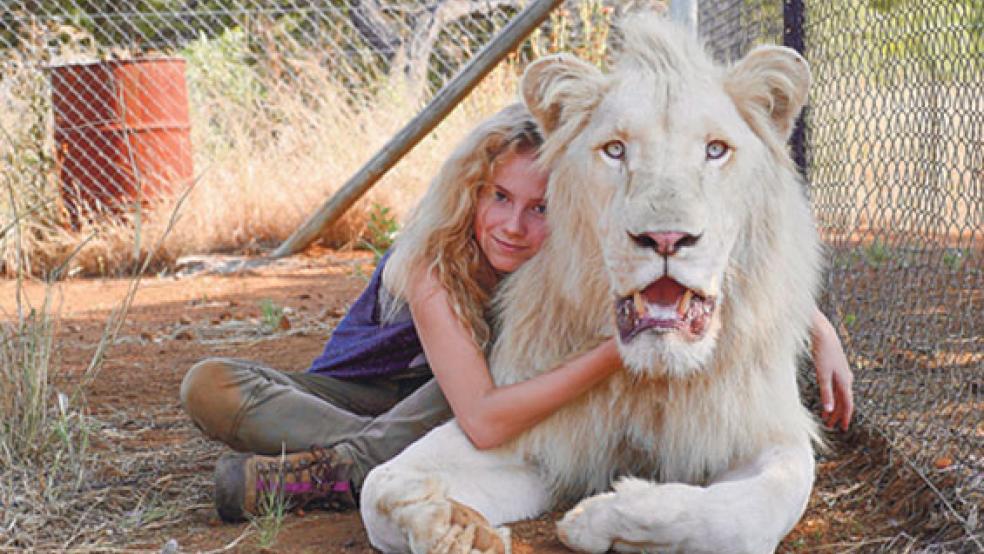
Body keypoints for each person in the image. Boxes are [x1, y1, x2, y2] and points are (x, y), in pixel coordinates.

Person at [180, 103, 854, 523]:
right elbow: (483, 415)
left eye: (541, 209)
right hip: (384, 392)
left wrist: (815, 327)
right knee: (208, 384)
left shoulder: (568, 254)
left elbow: (685, 271)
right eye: (499, 197)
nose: (512, 226)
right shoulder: (430, 265)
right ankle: (354, 461)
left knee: (475, 383)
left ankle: (340, 464)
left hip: (468, 392)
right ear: (472, 191)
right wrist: (614, 348)